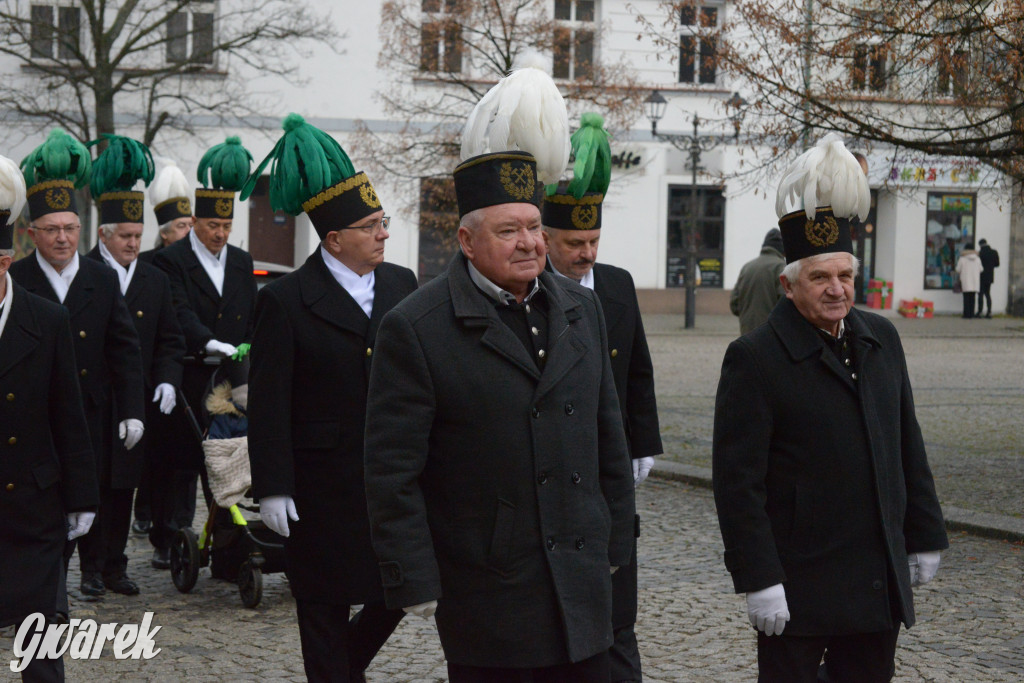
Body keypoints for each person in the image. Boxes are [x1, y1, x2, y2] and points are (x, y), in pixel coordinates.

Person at [364, 55, 636, 682]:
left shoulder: (583, 310)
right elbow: (392, 469)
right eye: (509, 230)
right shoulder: (416, 327)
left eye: (536, 228)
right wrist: (413, 575)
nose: (530, 244)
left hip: (584, 575)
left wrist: (616, 538)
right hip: (488, 587)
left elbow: (608, 437)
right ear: (466, 241)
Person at [713, 134, 948, 683]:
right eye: (819, 277)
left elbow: (905, 441)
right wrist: (758, 577)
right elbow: (737, 482)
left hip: (873, 578)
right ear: (788, 285)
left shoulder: (881, 338)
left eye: (844, 274)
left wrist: (925, 530)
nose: (836, 289)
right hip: (798, 585)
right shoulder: (754, 359)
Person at [245, 114, 416, 682]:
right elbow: (269, 402)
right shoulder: (287, 301)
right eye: (371, 226)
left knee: (396, 592)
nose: (383, 234)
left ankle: (341, 670)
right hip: (319, 487)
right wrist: (272, 486)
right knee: (321, 610)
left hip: (390, 478)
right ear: (334, 238)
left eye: (383, 221)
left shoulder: (402, 285)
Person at [541, 112, 662, 683]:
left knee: (621, 584)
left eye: (593, 241)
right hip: (560, 450)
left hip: (610, 451)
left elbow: (637, 370)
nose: (586, 253)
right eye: (574, 243)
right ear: (545, 241)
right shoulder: (535, 294)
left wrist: (645, 443)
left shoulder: (616, 284)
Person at [13, 129, 146, 599]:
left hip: (93, 407)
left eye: (70, 228)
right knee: (44, 502)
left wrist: (132, 408)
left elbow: (124, 348)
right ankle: (44, 588)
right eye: (52, 229)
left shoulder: (101, 279)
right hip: (36, 414)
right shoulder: (19, 281)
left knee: (102, 494)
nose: (63, 238)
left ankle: (99, 568)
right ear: (33, 234)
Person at [0, 152, 97, 683]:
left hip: (34, 503)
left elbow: (68, 413)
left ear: (5, 261)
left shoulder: (47, 318)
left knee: (41, 645)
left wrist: (82, 496)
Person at [86, 136, 187, 571]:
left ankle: (114, 562)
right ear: (105, 235)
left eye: (137, 236)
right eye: (124, 236)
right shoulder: (86, 273)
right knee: (91, 484)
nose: (132, 244)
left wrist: (167, 377)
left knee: (125, 483)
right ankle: (89, 567)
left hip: (137, 396)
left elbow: (170, 339)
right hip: (93, 397)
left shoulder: (154, 280)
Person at [153, 136, 257, 512]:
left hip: (231, 380)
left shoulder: (242, 261)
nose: (221, 234)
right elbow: (179, 313)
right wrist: (211, 343)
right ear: (194, 222)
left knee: (229, 457)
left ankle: (229, 544)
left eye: (227, 226)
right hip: (191, 372)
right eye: (213, 225)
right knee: (181, 463)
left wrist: (246, 346)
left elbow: (251, 311)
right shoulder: (173, 260)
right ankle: (172, 535)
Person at [729, 228, 786, 335]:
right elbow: (785, 304)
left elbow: (734, 304)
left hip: (747, 335)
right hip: (771, 335)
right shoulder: (781, 268)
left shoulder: (747, 267)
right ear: (783, 250)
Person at [955, 242, 983, 319]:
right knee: (972, 298)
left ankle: (966, 314)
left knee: (966, 298)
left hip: (966, 281)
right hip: (975, 281)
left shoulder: (962, 258)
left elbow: (958, 269)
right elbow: (981, 269)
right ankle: (971, 313)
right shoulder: (977, 259)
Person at [977, 238, 1000, 318]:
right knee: (988, 294)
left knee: (980, 294)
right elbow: (997, 264)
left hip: (981, 276)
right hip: (990, 276)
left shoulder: (980, 253)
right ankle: (989, 312)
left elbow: (978, 265)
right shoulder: (994, 252)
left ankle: (980, 312)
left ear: (980, 245)